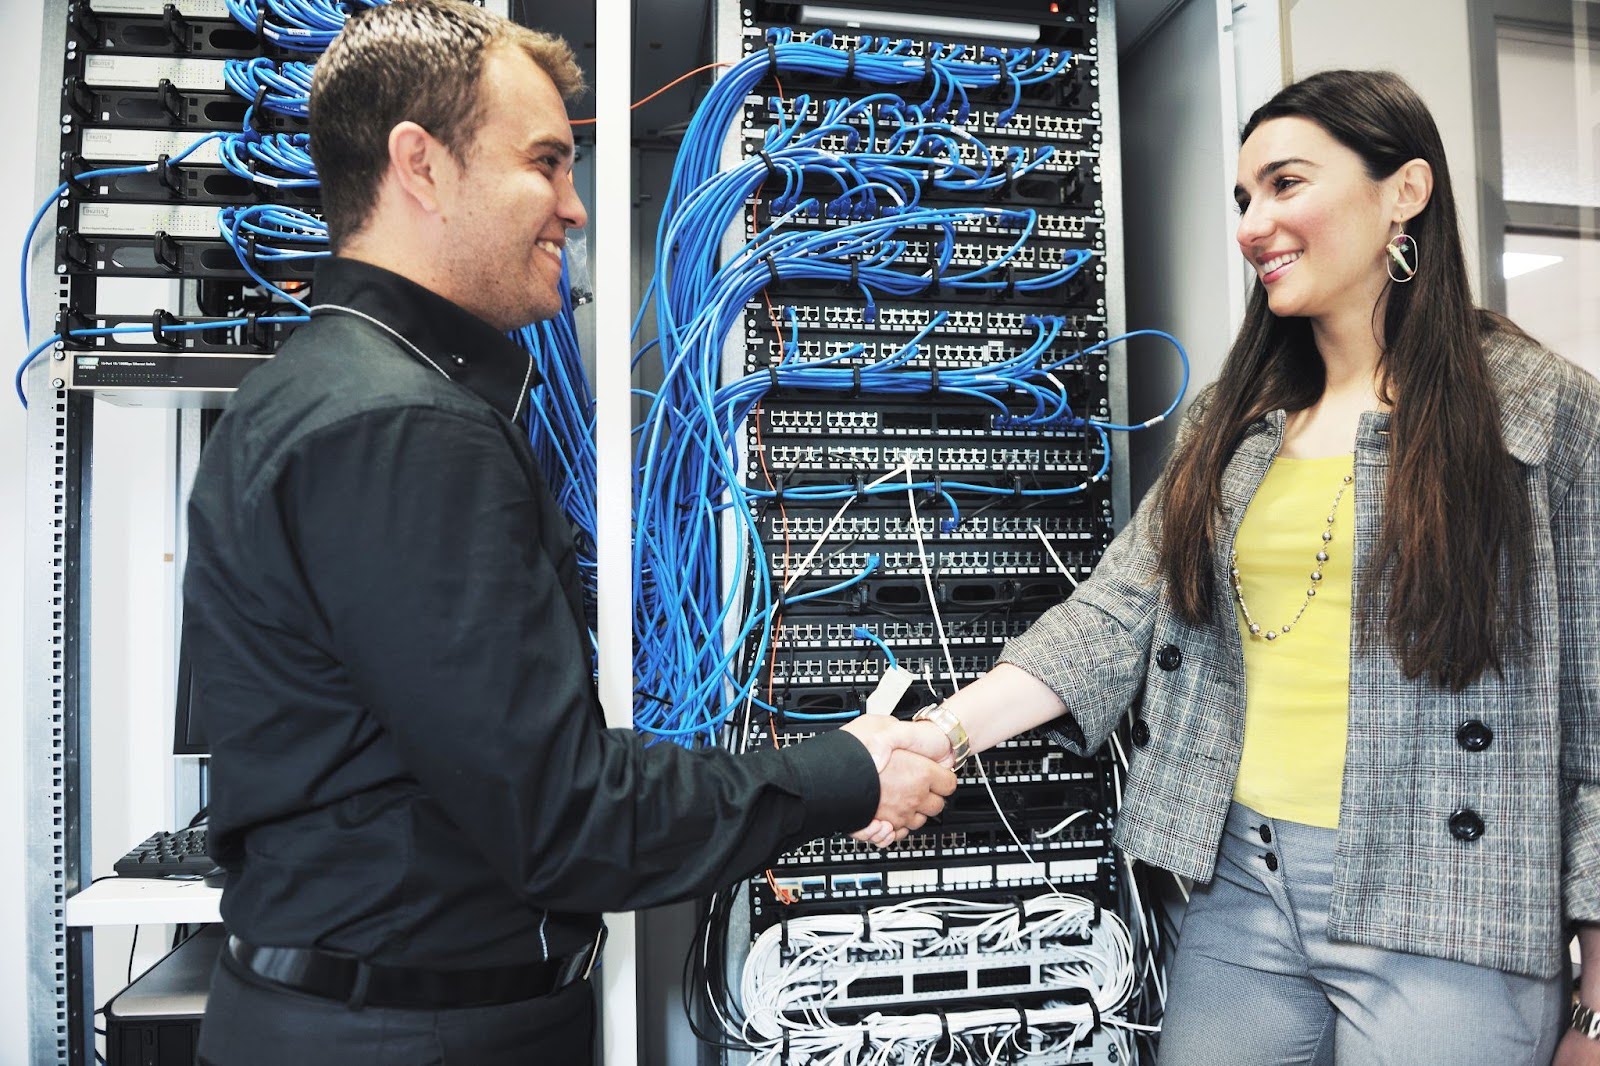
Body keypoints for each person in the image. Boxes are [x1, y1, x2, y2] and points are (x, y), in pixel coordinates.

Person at [182, 3, 954, 1063]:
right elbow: (565, 817)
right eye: (545, 163)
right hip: (411, 1035)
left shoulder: (320, 391)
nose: (575, 207)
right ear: (421, 165)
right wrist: (844, 774)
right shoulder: (404, 429)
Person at [892, 70, 1600, 1066]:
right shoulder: (1232, 418)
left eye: (1284, 184)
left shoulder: (1540, 409)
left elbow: (1596, 713)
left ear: (1405, 191)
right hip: (1241, 886)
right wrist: (938, 733)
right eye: (1242, 198)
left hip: (1450, 903)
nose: (1251, 224)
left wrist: (1596, 1006)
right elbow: (1111, 616)